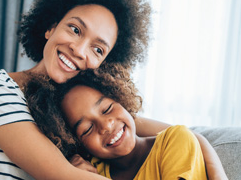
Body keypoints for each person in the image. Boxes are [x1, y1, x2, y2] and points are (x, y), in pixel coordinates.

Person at [0, 0, 226, 179]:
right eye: (75, 29)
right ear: (50, 27)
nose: (79, 50)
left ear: (103, 63)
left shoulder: (74, 113)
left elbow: (186, 135)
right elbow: (62, 175)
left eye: (98, 49)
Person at [25, 65, 227, 180]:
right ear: (78, 144)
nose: (105, 126)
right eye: (87, 129)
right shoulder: (91, 171)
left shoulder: (175, 141)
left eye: (107, 109)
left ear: (122, 100)